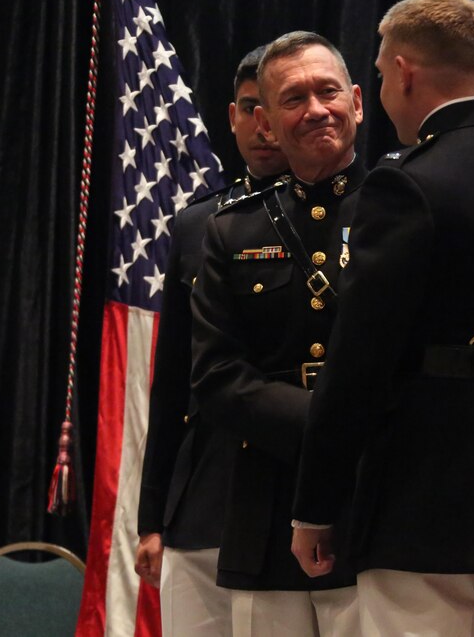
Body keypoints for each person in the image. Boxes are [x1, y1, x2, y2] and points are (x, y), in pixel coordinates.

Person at [290, 0, 474, 636]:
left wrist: (316, 505)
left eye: (377, 72)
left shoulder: (406, 185)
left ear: (402, 70)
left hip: (417, 495)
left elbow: (358, 358)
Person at [190, 31, 365, 636]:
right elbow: (215, 377)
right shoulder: (230, 231)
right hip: (266, 500)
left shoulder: (404, 209)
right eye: (294, 98)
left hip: (373, 494)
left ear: (358, 102)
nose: (316, 109)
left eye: (328, 92)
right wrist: (329, 422)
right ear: (264, 120)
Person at [135, 45, 289, 636]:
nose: (264, 125)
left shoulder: (360, 210)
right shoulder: (199, 224)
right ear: (232, 116)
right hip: (202, 495)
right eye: (252, 108)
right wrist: (154, 518)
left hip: (290, 486)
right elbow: (172, 381)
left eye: (275, 107)